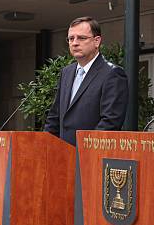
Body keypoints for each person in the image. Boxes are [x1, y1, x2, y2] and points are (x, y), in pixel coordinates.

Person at [45, 16, 128, 146]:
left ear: (97, 41)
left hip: (90, 157)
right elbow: (54, 117)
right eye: (71, 39)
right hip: (61, 156)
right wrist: (44, 146)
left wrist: (84, 150)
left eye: (81, 38)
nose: (75, 43)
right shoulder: (66, 72)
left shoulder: (112, 74)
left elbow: (111, 121)